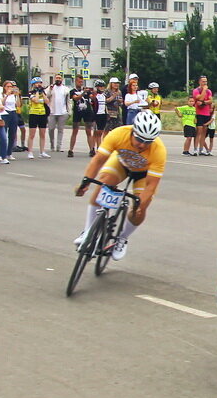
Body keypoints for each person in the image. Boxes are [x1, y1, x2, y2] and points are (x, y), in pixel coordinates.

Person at [73, 111, 166, 261]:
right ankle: (88, 231)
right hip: (121, 164)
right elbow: (98, 160)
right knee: (103, 182)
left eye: (148, 141)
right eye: (139, 139)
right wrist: (86, 181)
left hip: (143, 175)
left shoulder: (159, 150)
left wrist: (139, 205)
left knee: (140, 210)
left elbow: (151, 186)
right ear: (133, 131)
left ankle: (122, 238)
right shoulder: (119, 134)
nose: (142, 144)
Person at [68, 75, 95, 158]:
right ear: (76, 82)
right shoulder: (73, 91)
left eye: (82, 82)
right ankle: (71, 150)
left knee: (88, 131)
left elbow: (92, 98)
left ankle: (91, 149)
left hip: (87, 111)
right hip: (77, 111)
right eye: (79, 81)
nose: (81, 83)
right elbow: (75, 98)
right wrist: (83, 93)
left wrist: (94, 93)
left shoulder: (87, 90)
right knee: (75, 130)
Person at [26, 76, 51, 159]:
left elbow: (47, 101)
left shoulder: (42, 92)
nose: (39, 85)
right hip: (33, 114)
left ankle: (42, 152)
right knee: (32, 134)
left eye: (40, 83)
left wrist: (42, 93)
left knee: (43, 134)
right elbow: (36, 100)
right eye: (37, 83)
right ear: (33, 84)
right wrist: (37, 92)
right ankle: (30, 152)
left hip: (42, 113)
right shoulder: (30, 92)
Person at [47, 74, 70, 152]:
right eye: (56, 78)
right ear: (54, 79)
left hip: (62, 112)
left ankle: (58, 147)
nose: (58, 79)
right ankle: (52, 145)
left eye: (59, 78)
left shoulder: (66, 89)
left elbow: (68, 101)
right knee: (51, 129)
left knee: (60, 130)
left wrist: (69, 112)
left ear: (62, 79)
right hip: (52, 112)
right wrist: (50, 89)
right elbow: (46, 96)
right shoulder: (51, 88)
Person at [193, 75, 213, 155]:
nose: (205, 83)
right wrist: (204, 90)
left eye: (206, 81)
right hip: (199, 113)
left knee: (204, 132)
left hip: (206, 113)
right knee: (199, 131)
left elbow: (211, 100)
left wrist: (204, 102)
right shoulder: (196, 90)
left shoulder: (209, 91)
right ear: (199, 82)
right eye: (203, 81)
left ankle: (201, 149)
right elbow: (200, 98)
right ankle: (195, 149)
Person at [0, 81, 20, 161]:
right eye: (7, 86)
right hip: (5, 113)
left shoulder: (14, 96)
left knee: (12, 134)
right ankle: (2, 153)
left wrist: (18, 95)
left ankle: (9, 153)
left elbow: (18, 105)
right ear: (4, 87)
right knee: (3, 134)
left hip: (13, 112)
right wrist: (7, 95)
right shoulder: (2, 95)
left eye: (11, 87)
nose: (9, 88)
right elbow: (1, 103)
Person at [91, 79, 109, 144]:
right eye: (100, 86)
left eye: (103, 86)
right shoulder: (94, 96)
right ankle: (92, 148)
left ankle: (98, 148)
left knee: (100, 133)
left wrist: (107, 114)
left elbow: (105, 105)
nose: (102, 88)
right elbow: (92, 102)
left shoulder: (104, 96)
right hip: (96, 115)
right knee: (96, 133)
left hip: (103, 115)